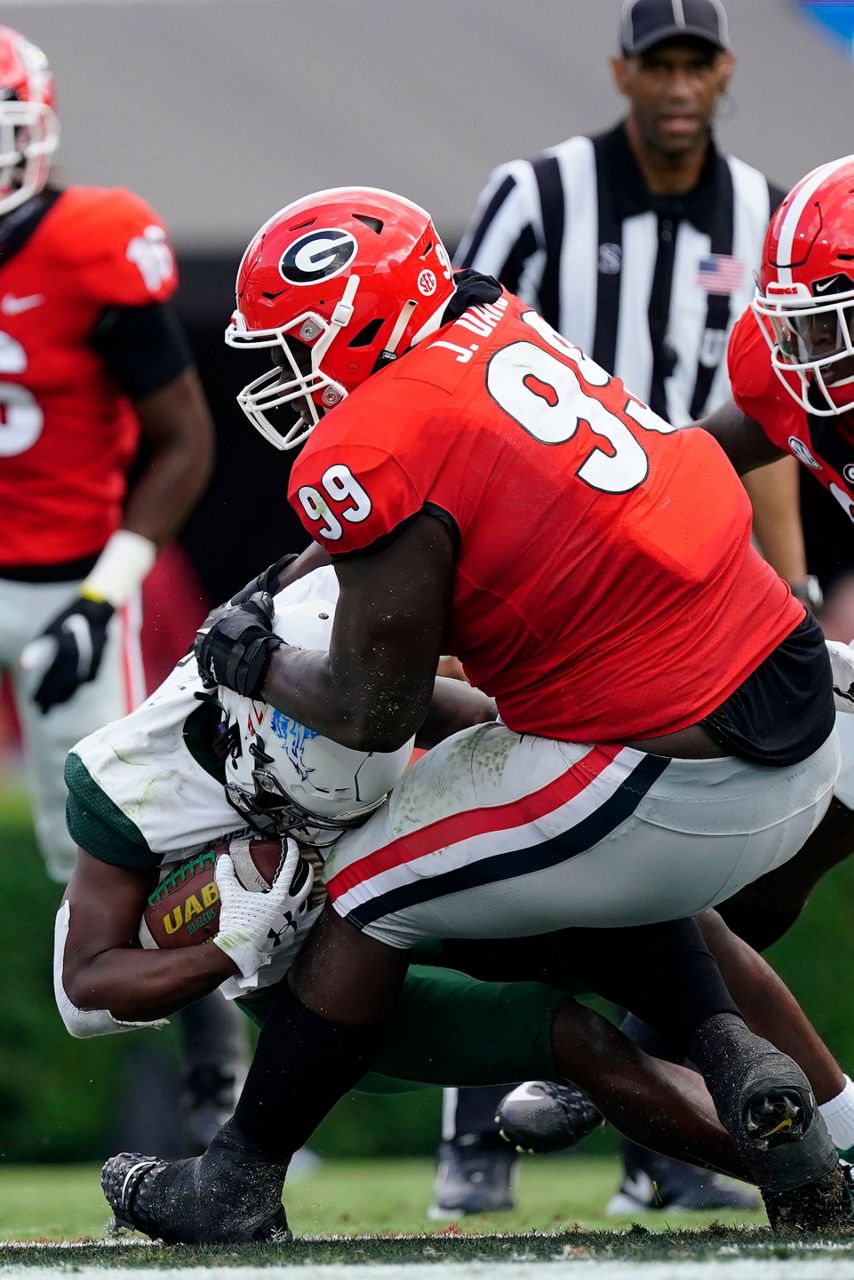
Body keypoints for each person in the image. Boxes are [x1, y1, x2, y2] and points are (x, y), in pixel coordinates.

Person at [97, 184, 848, 1243]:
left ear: (364, 321)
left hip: (671, 766)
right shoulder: (490, 323)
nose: (284, 374)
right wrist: (288, 581)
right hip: (777, 699)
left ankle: (238, 1176)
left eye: (298, 342)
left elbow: (371, 711)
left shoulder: (380, 440)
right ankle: (732, 1054)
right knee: (537, 830)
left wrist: (253, 658)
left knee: (364, 891)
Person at [445, 0, 816, 1215]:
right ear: (621, 71)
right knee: (508, 812)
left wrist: (793, 590)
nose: (673, 83)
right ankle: (486, 1124)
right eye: (654, 61)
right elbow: (458, 367)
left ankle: (657, 1112)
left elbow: (766, 439)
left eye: (692, 60)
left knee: (708, 854)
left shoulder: (764, 213)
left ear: (721, 71)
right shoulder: (541, 194)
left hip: (693, 573)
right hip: (557, 557)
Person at [487, 150, 854, 1179]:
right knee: (784, 827)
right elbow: (686, 468)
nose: (805, 348)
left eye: (830, 318)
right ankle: (666, 1023)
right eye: (799, 317)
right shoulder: (792, 370)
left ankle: (654, 1027)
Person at [0, 25, 243, 1150]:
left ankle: (209, 1061)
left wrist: (107, 596)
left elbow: (183, 438)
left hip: (63, 585)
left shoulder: (96, 243)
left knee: (101, 840)